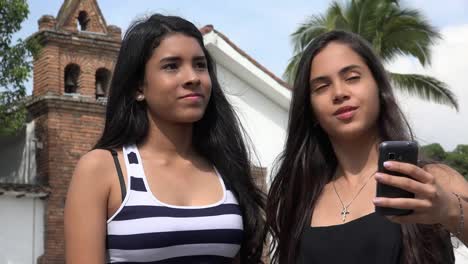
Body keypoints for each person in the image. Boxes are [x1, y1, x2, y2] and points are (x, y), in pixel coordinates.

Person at [65, 14, 266, 264]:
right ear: (139, 87)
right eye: (172, 66)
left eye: (200, 65)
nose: (193, 77)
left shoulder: (225, 168)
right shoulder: (102, 169)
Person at [266, 30, 468, 264]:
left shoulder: (430, 180)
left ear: (379, 88)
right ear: (310, 109)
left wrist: (449, 210)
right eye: (321, 87)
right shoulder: (301, 197)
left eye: (352, 77)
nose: (339, 93)